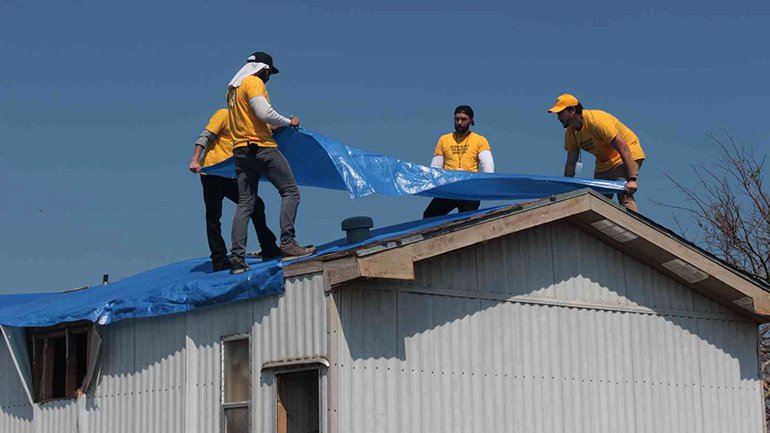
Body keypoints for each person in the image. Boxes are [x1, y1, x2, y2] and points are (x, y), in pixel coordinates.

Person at [226, 51, 315, 274]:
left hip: (240, 151)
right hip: (261, 149)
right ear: (263, 69)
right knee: (290, 191)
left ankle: (236, 258)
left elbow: (250, 120)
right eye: (269, 73)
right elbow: (263, 111)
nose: (269, 78)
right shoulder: (253, 82)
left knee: (245, 203)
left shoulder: (233, 90)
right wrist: (288, 121)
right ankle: (288, 243)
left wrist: (271, 127)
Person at [188, 108, 281, 272]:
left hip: (232, 174)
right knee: (214, 216)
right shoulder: (224, 115)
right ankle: (219, 259)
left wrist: (288, 122)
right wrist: (195, 159)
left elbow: (270, 128)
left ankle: (268, 248)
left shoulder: (249, 121)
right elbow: (205, 136)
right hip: (212, 172)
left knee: (256, 204)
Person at [548, 94, 646, 212]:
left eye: (560, 113)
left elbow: (623, 147)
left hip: (627, 153)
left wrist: (632, 179)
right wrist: (564, 189)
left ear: (572, 110)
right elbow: (570, 163)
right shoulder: (571, 133)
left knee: (624, 191)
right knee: (598, 200)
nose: (558, 118)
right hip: (604, 162)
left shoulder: (597, 121)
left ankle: (633, 226)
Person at [423, 105, 495, 218]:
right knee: (429, 216)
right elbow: (436, 167)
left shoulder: (480, 140)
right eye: (457, 119)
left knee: (467, 221)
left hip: (469, 190)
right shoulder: (444, 139)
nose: (459, 122)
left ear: (471, 121)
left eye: (464, 119)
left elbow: (487, 165)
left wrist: (486, 184)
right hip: (449, 188)